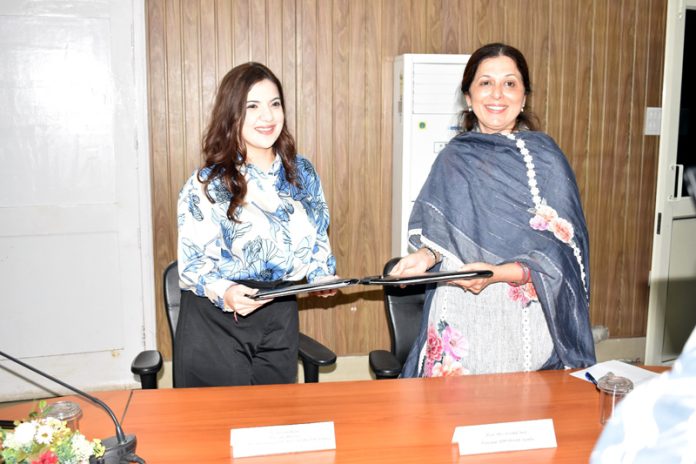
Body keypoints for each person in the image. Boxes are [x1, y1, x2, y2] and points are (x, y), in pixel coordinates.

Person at [390, 43, 595, 377]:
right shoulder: (453, 158)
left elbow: (562, 259)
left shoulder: (546, 161)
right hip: (459, 316)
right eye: (485, 83)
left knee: (519, 419)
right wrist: (425, 258)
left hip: (523, 322)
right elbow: (446, 239)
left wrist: (494, 274)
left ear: (524, 96)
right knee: (447, 420)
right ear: (468, 96)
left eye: (510, 83)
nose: (497, 94)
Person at [175, 62, 337, 387]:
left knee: (274, 422)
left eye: (274, 104)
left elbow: (319, 232)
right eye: (253, 106)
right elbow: (191, 266)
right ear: (232, 114)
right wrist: (228, 291)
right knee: (221, 428)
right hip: (219, 318)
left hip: (280, 312)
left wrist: (322, 276)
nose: (268, 116)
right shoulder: (207, 183)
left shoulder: (302, 171)